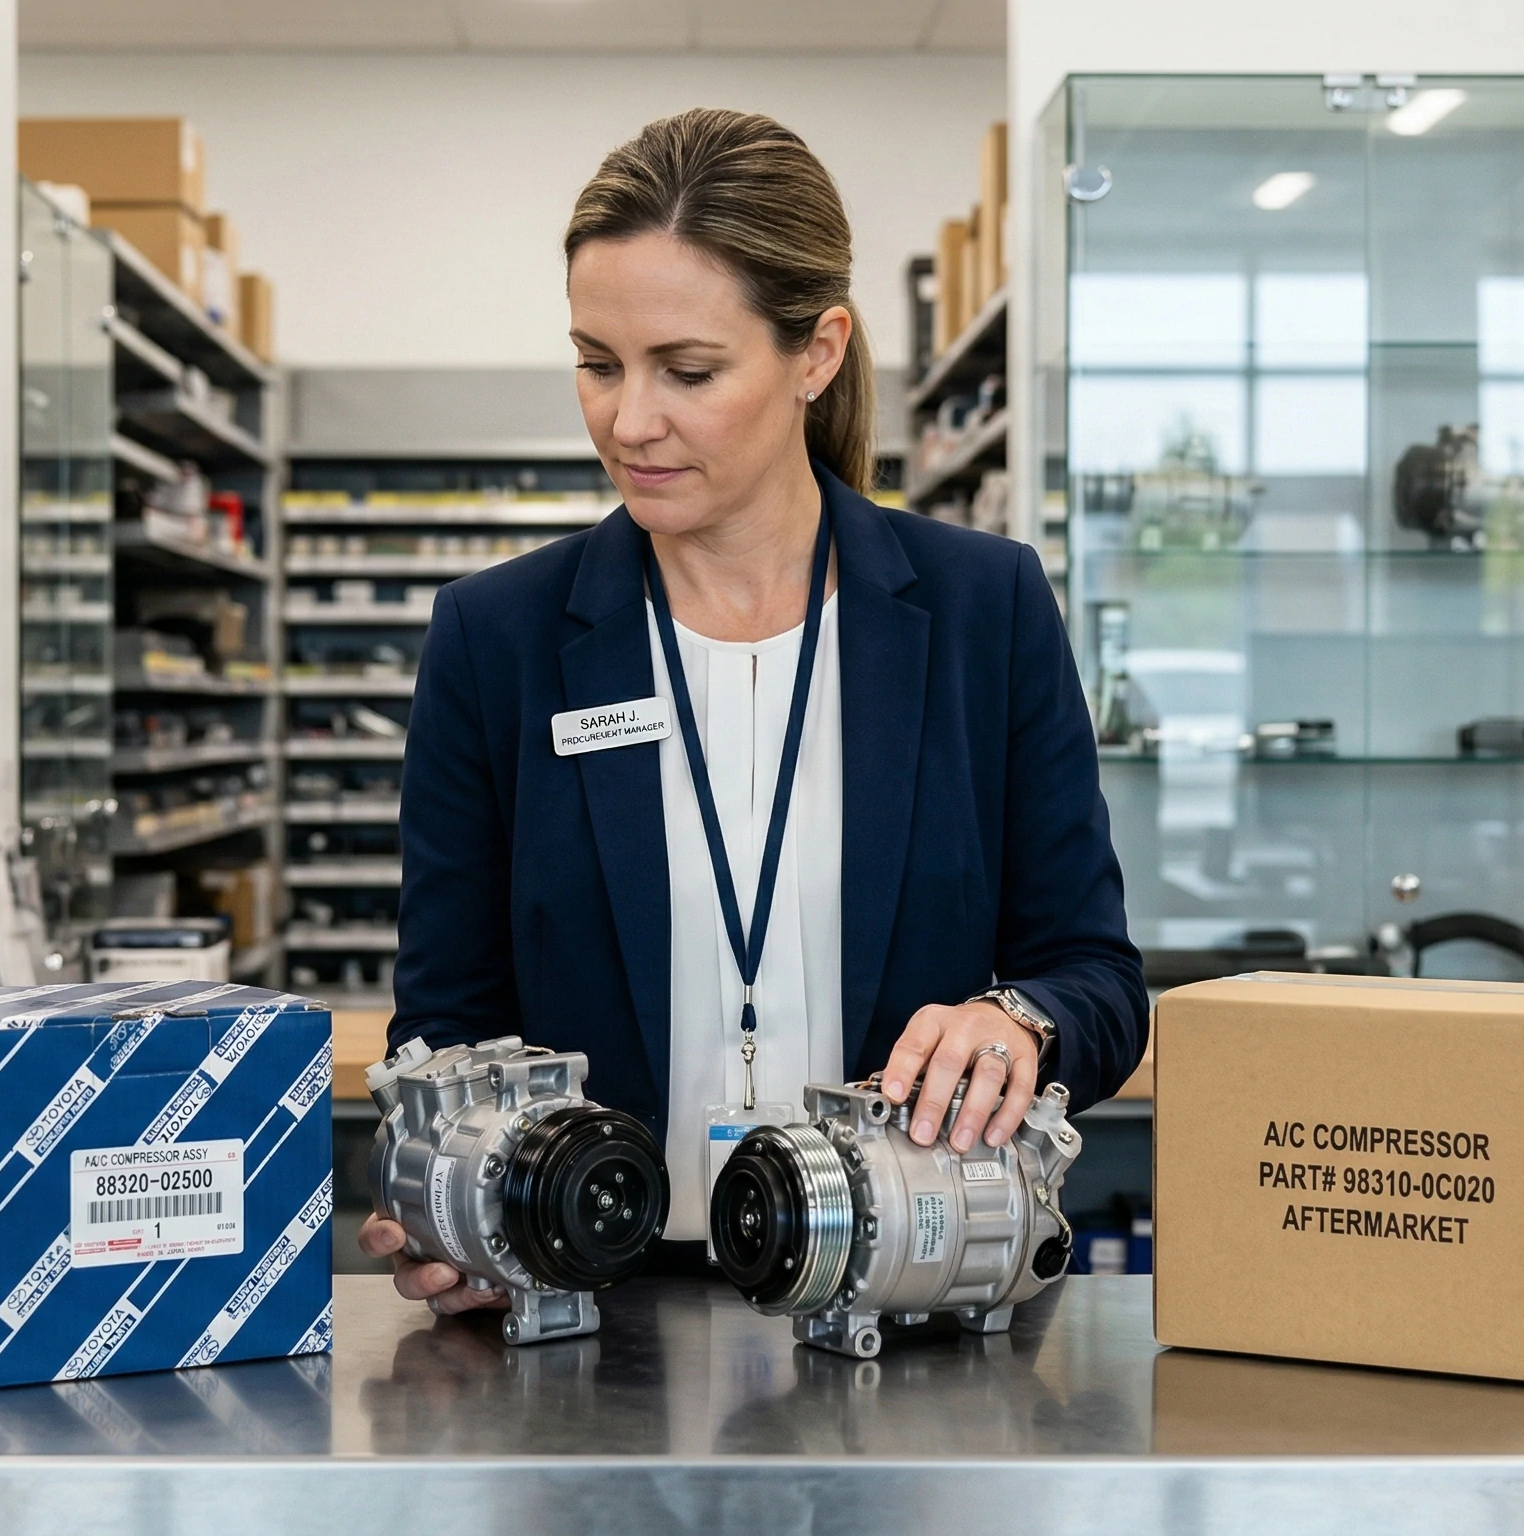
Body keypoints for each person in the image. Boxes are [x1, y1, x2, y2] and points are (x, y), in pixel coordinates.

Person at [363, 109, 1148, 1314]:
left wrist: (1015, 1023)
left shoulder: (981, 611)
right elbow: (446, 1020)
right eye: (596, 361)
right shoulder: (498, 639)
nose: (628, 421)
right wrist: (455, 1198)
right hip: (588, 1323)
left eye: (687, 372)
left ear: (816, 352)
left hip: (905, 1307)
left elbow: (1092, 978)